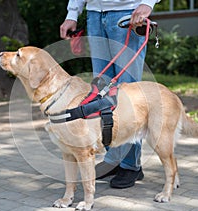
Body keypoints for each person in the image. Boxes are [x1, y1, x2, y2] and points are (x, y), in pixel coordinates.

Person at [60, 0, 160, 189]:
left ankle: (131, 165)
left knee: (127, 95)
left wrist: (147, 3)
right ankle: (114, 158)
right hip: (95, 16)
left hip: (128, 14)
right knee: (103, 92)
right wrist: (72, 14)